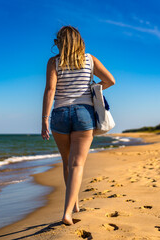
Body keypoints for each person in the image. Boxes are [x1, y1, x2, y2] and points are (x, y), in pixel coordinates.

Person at [41, 26, 116, 225]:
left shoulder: (53, 62)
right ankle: (68, 211)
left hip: (60, 114)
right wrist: (93, 88)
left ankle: (73, 204)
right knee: (77, 164)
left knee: (67, 162)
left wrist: (44, 120)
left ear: (61, 42)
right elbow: (110, 80)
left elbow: (50, 90)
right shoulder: (89, 60)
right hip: (84, 114)